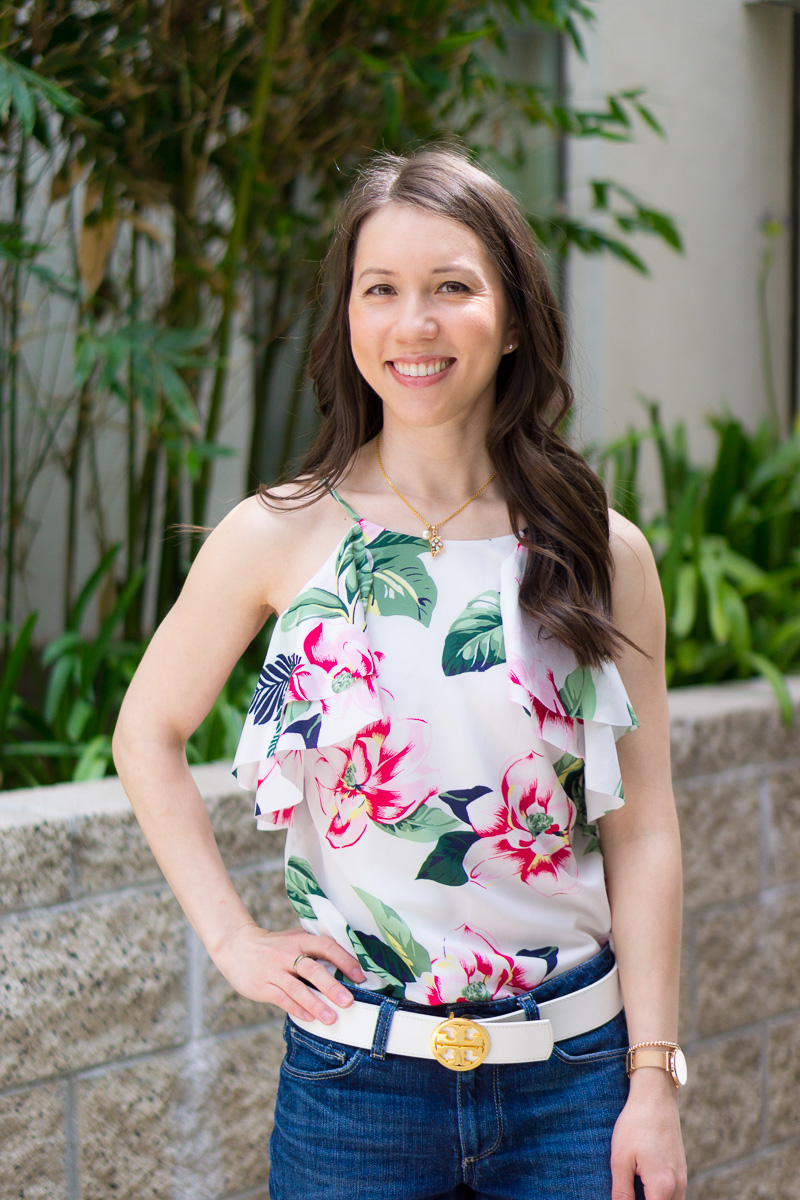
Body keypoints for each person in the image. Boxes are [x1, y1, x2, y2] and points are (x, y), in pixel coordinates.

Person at [113, 147, 687, 1200]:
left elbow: (640, 827)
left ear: (512, 319)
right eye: (379, 291)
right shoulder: (276, 534)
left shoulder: (599, 550)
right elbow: (144, 730)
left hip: (572, 1082)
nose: (411, 326)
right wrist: (233, 940)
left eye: (451, 288)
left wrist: (653, 1079)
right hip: (354, 1089)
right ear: (346, 317)